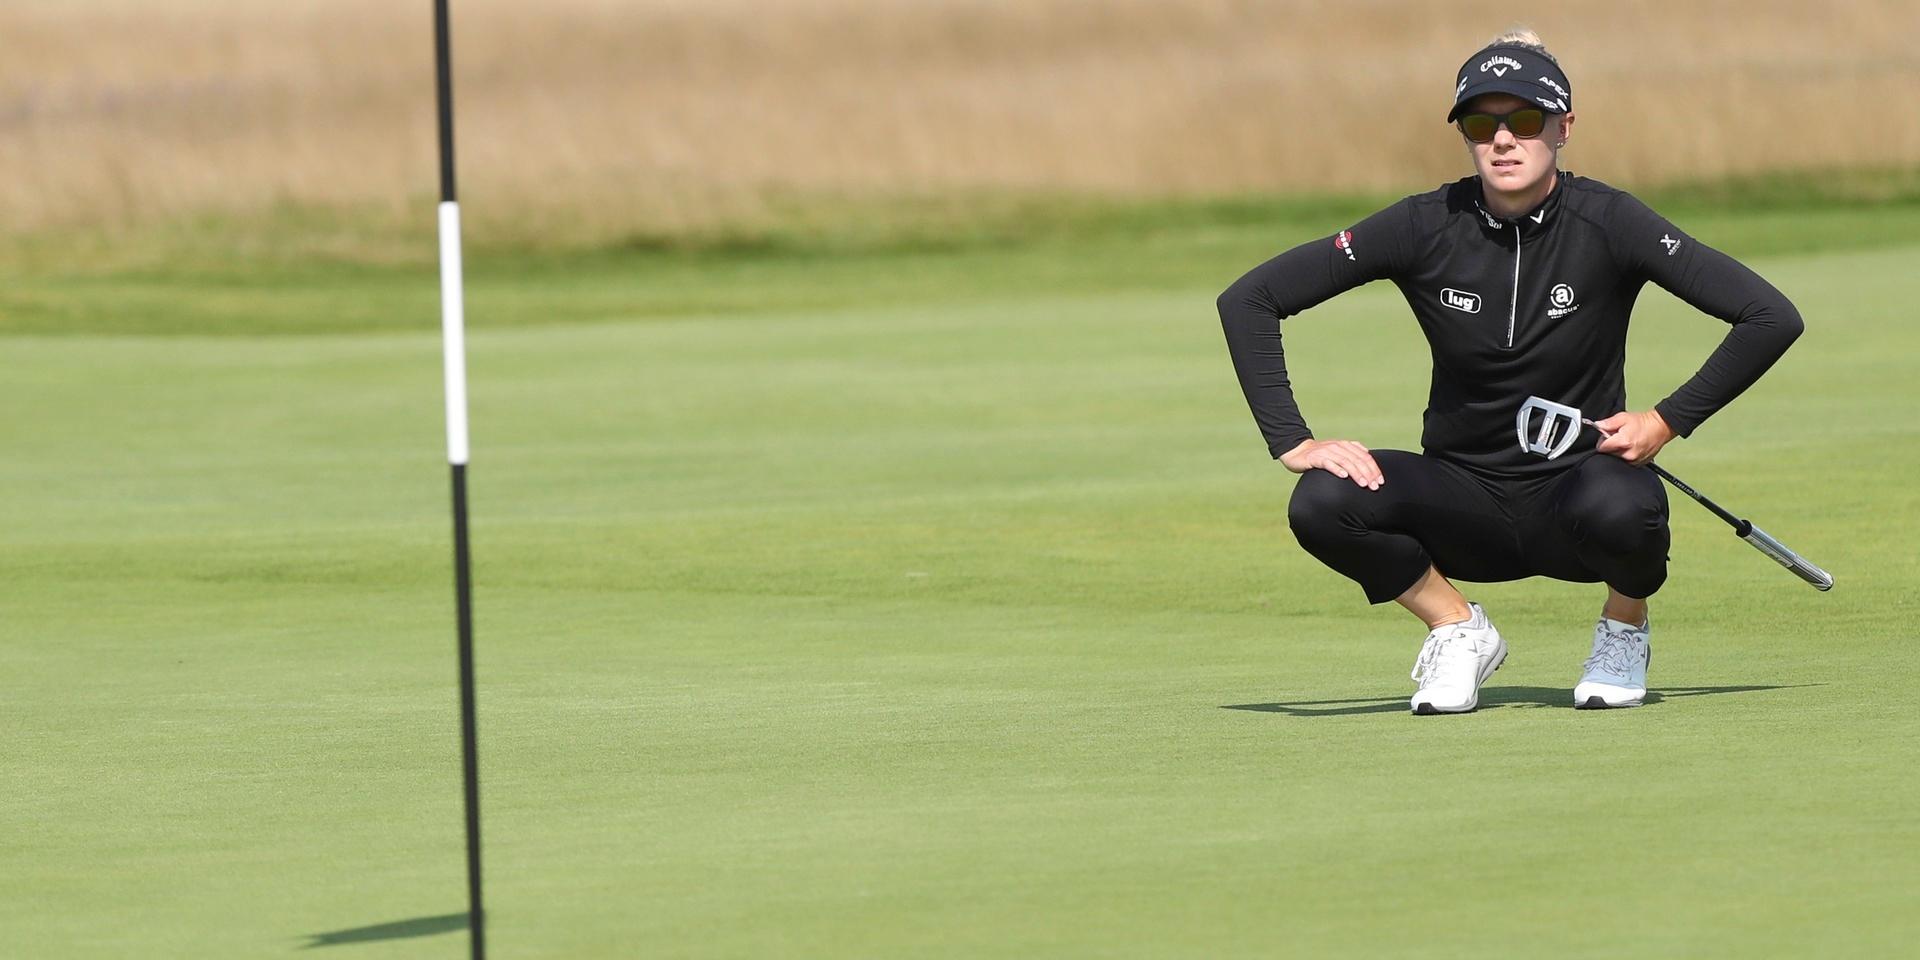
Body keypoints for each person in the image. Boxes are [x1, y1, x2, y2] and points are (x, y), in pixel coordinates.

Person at [1215, 28, 1803, 714]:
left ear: (1563, 127)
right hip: (1461, 500)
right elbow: (1250, 299)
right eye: (1480, 123)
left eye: (1525, 121)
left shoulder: (1610, 221)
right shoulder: (1424, 223)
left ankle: (1623, 629)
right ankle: (1458, 629)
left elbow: (1769, 315)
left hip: (1577, 499)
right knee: (1322, 501)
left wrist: (1666, 420)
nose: (1502, 140)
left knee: (1626, 506)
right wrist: (1294, 441)